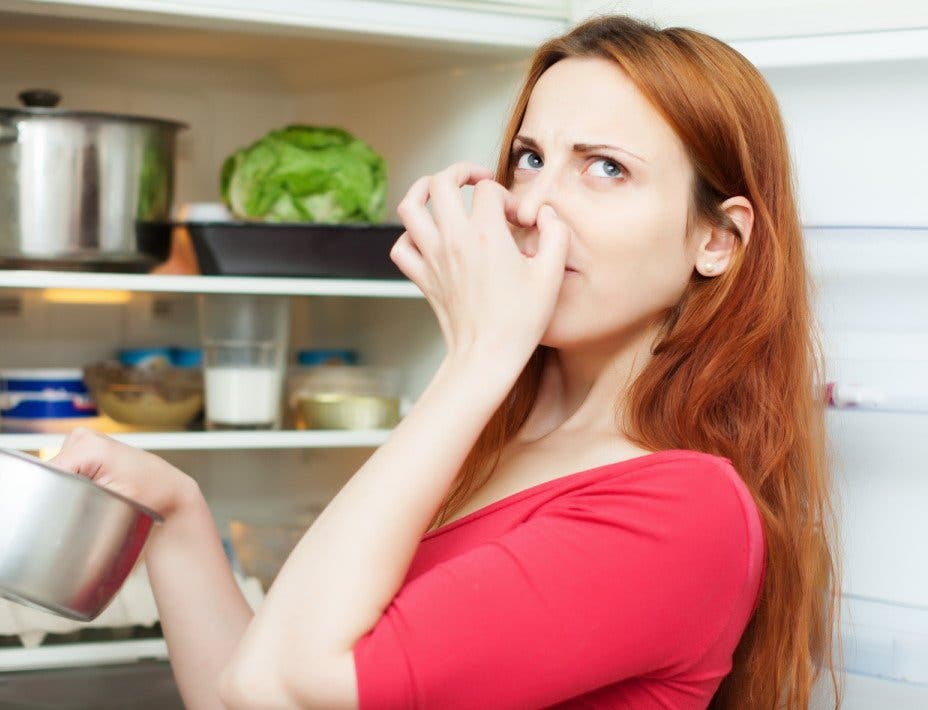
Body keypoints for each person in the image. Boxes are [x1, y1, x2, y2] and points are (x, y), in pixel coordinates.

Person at [48, 14, 841, 709]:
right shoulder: (496, 443)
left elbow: (278, 687)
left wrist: (480, 354)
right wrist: (177, 517)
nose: (531, 208)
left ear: (717, 240)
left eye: (607, 168)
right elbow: (261, 688)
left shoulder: (682, 510)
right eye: (530, 158)